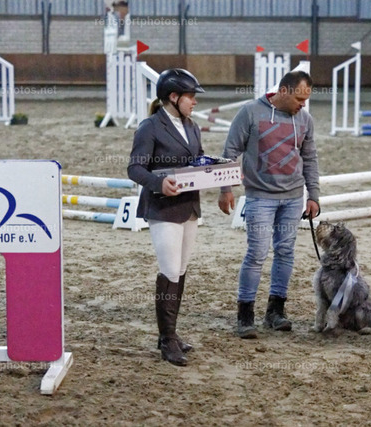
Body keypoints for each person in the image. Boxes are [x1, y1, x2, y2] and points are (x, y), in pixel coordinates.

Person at [218, 70, 320, 339]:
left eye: (306, 99)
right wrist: (225, 189)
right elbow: (230, 152)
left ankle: (276, 311)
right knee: (257, 254)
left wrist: (313, 195)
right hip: (260, 197)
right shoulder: (250, 112)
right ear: (283, 91)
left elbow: (310, 158)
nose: (303, 105)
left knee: (286, 252)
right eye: (299, 99)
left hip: (293, 198)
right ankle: (245, 315)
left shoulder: (305, 120)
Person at [128, 68, 204, 366]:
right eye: (190, 97)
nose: (194, 102)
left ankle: (171, 333)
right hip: (162, 207)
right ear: (173, 97)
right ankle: (167, 339)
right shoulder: (150, 127)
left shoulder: (192, 126)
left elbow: (198, 159)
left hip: (189, 206)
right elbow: (135, 168)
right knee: (170, 270)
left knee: (181, 270)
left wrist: (218, 169)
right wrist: (158, 183)